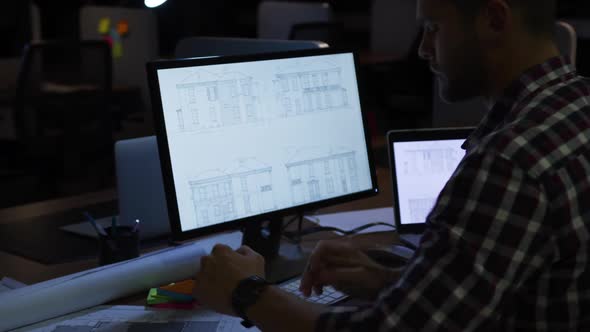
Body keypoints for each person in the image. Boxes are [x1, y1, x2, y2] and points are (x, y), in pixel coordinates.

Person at [193, 0, 590, 330]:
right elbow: (512, 289)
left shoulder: (508, 163)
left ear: (494, 20)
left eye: (433, 27)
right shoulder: (576, 107)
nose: (422, 48)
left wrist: (247, 293)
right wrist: (391, 282)